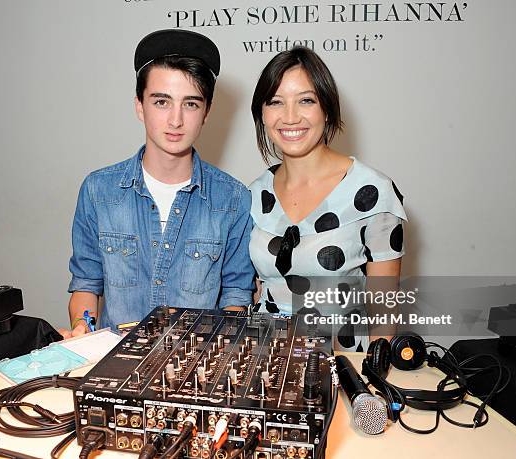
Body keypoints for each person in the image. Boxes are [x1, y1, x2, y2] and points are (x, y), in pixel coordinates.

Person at [61, 30, 255, 338]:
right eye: (162, 102)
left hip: (195, 370)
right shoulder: (98, 191)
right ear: (140, 106)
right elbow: (86, 282)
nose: (175, 120)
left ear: (206, 112)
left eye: (190, 104)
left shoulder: (234, 198)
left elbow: (236, 292)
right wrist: (84, 325)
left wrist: (225, 342)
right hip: (115, 365)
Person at [248, 47, 407, 351]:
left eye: (306, 100)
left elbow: (384, 315)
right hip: (266, 362)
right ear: (263, 115)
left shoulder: (374, 192)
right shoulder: (255, 192)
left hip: (342, 364)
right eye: (276, 102)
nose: (290, 117)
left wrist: (370, 380)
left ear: (327, 109)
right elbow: (259, 291)